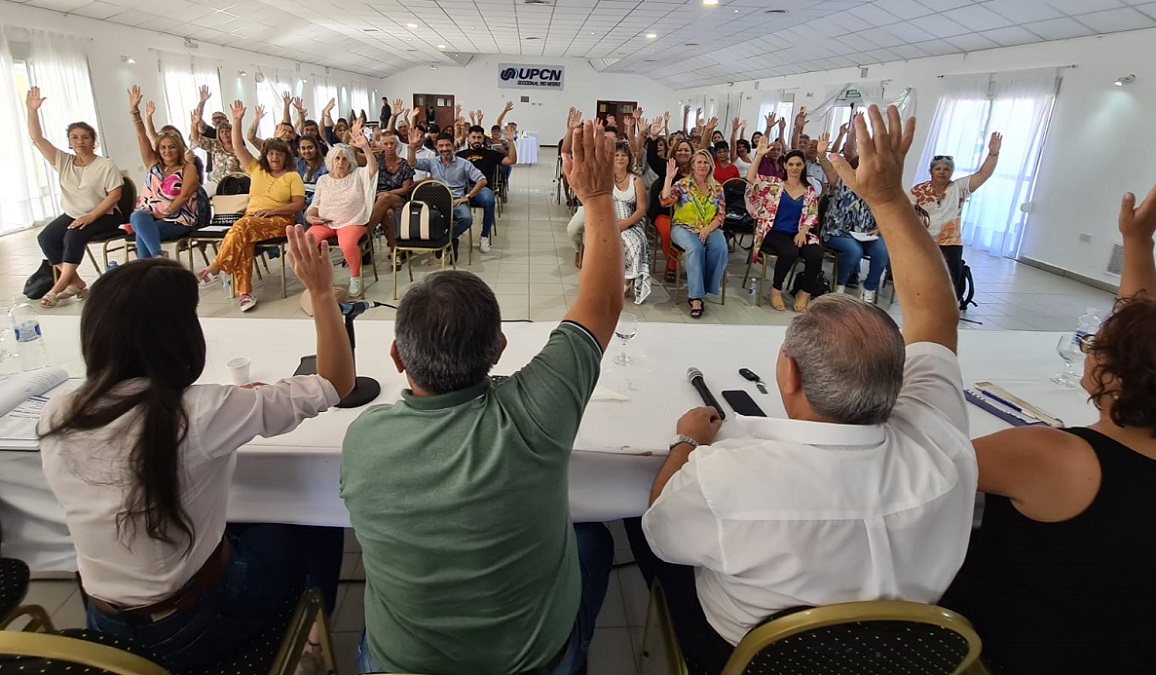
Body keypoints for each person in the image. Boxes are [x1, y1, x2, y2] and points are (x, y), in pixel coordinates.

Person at [631, 105, 977, 675]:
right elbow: (937, 314)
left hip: (746, 655)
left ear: (784, 374)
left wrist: (687, 445)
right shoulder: (942, 451)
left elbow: (661, 530)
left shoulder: (725, 476)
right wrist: (890, 198)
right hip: (898, 657)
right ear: (899, 381)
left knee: (638, 534)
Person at [342, 119, 621, 675]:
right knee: (594, 540)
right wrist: (596, 195)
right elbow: (603, 302)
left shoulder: (364, 440)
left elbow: (600, 305)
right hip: (533, 663)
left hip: (399, 666)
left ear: (398, 358)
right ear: (500, 347)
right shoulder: (537, 412)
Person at [38, 226, 354, 672]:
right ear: (180, 334)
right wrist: (321, 293)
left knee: (237, 518)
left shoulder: (59, 413)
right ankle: (310, 641)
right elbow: (336, 383)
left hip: (102, 625)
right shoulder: (203, 412)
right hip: (192, 625)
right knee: (314, 514)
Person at [938, 187, 1156, 675]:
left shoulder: (1052, 456)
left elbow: (916, 462)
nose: (1087, 349)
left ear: (1113, 378)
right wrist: (1137, 243)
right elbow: (1144, 341)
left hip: (1006, 651)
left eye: (1097, 345)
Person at [195, 100, 305, 313]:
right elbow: (237, 146)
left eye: (279, 154)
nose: (275, 157)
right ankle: (245, 294)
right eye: (271, 153)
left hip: (279, 221)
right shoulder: (257, 169)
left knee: (242, 228)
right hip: (252, 220)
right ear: (266, 156)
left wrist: (273, 211)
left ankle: (216, 267)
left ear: (285, 157)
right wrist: (237, 120)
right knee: (244, 240)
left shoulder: (292, 176)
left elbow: (298, 204)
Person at [26, 86, 124, 309]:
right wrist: (32, 111)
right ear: (70, 142)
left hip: (104, 213)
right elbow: (37, 138)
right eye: (75, 138)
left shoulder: (105, 165)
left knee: (73, 234)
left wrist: (90, 217)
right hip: (73, 213)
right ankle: (77, 282)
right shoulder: (63, 161)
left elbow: (115, 196)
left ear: (93, 141)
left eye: (85, 137)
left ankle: (58, 287)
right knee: (46, 238)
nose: (80, 141)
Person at [909, 132, 1002, 308]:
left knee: (951, 277)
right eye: (938, 169)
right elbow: (903, 213)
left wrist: (993, 154)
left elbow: (983, 174)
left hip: (950, 241)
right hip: (924, 240)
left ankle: (947, 307)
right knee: (923, 276)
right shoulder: (919, 190)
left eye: (946, 169)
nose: (942, 172)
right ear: (931, 171)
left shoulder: (958, 188)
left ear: (951, 172)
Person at [304, 123, 378, 297]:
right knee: (307, 241)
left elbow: (373, 169)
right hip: (326, 222)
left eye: (344, 159)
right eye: (337, 159)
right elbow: (315, 205)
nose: (341, 162)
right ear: (331, 161)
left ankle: (355, 278)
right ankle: (318, 278)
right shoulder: (323, 180)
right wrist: (310, 217)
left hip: (352, 221)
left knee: (347, 244)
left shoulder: (358, 174)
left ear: (350, 161)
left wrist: (365, 147)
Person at [746, 143, 822, 311]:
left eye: (798, 164)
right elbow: (751, 180)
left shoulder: (809, 191)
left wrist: (803, 231)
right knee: (790, 251)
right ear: (785, 166)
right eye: (791, 164)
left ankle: (805, 292)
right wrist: (759, 155)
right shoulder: (773, 185)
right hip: (774, 231)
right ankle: (776, 289)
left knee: (816, 254)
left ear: (803, 166)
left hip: (799, 232)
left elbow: (812, 214)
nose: (794, 168)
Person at [126, 86, 200, 260]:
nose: (167, 151)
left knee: (143, 234)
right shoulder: (153, 164)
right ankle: (158, 257)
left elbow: (184, 196)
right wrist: (135, 111)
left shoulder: (187, 168)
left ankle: (151, 264)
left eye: (172, 147)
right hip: (148, 217)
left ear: (179, 148)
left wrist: (165, 213)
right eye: (163, 147)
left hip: (177, 219)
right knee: (138, 216)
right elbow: (141, 136)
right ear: (158, 149)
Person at [816, 131, 889, 303]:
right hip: (837, 231)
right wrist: (821, 154)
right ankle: (839, 286)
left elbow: (883, 212)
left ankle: (869, 287)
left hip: (865, 233)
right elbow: (827, 166)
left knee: (882, 252)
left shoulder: (876, 188)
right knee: (854, 250)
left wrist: (878, 228)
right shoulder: (840, 179)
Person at [660, 150, 727, 319]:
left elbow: (721, 215)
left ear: (710, 165)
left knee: (720, 247)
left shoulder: (717, 187)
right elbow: (665, 201)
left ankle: (706, 286)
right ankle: (696, 297)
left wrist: (708, 229)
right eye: (699, 162)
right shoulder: (683, 184)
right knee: (696, 249)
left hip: (709, 227)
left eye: (706, 162)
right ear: (692, 165)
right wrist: (668, 178)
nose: (703, 165)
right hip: (683, 228)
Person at [405, 129, 485, 261]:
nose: (444, 149)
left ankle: (449, 238)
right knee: (423, 217)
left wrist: (468, 196)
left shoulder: (464, 164)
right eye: (441, 146)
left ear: (453, 146)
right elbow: (412, 163)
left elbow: (482, 180)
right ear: (436, 147)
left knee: (467, 219)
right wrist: (412, 148)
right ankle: (442, 240)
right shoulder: (432, 162)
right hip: (436, 201)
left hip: (456, 200)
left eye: (447, 145)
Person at [457, 125, 518, 253]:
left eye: (479, 137)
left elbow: (512, 160)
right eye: (473, 137)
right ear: (469, 138)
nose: (476, 140)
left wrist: (511, 142)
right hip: (462, 189)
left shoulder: (491, 154)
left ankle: (484, 236)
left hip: (482, 189)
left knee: (490, 201)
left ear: (483, 139)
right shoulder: (460, 155)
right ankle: (452, 233)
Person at [367, 130, 415, 253]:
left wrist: (387, 194)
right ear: (381, 145)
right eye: (386, 143)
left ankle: (366, 233)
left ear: (396, 144)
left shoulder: (404, 164)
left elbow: (405, 189)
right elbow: (358, 159)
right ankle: (395, 251)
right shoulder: (377, 160)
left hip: (399, 199)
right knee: (387, 213)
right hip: (379, 201)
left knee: (386, 198)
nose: (389, 146)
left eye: (392, 143)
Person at [191, 107, 242, 177]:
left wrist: (237, 120)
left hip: (235, 182)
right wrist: (194, 124)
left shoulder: (238, 144)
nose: (225, 134)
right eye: (222, 132)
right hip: (216, 180)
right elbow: (196, 139)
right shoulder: (214, 145)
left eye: (227, 131)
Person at [296, 136, 329, 216]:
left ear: (316, 148)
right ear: (299, 150)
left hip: (318, 200)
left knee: (306, 215)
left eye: (310, 147)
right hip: (299, 199)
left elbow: (324, 189)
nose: (307, 151)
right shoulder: (297, 164)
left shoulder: (326, 164)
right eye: (303, 148)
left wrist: (306, 203)